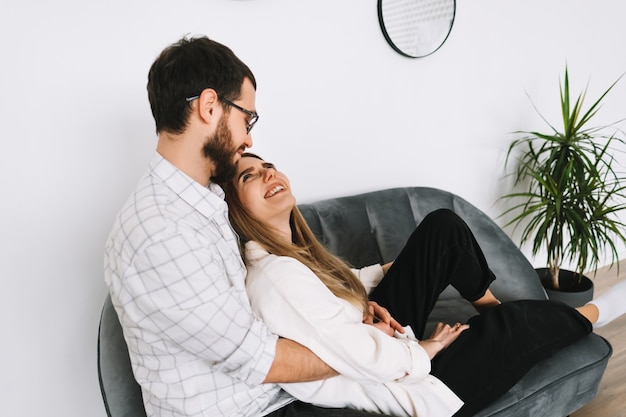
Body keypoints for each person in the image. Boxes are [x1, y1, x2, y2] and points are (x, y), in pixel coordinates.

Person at [104, 35, 388, 417]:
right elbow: (262, 360)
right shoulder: (161, 231)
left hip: (277, 397)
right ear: (209, 106)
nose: (249, 138)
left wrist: (356, 319)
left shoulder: (201, 201)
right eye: (246, 118)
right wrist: (366, 344)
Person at [221, 152, 626, 417]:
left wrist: (395, 268)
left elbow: (330, 300)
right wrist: (425, 352)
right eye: (249, 177)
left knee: (441, 230)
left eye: (267, 165)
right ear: (237, 210)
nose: (267, 173)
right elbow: (358, 356)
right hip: (389, 382)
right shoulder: (275, 276)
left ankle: (490, 305)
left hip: (375, 335)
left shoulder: (290, 256)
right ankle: (594, 312)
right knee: (514, 325)